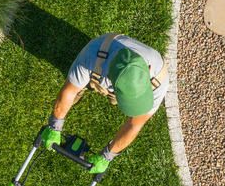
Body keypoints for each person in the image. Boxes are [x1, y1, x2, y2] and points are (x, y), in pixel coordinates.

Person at [41, 33, 169, 173]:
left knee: (115, 101)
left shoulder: (159, 79)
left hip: (109, 77)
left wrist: (107, 156)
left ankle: (114, 97)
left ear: (149, 69)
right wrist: (55, 125)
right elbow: (68, 92)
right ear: (109, 78)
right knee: (75, 89)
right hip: (98, 67)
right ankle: (86, 85)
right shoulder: (92, 55)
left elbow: (134, 125)